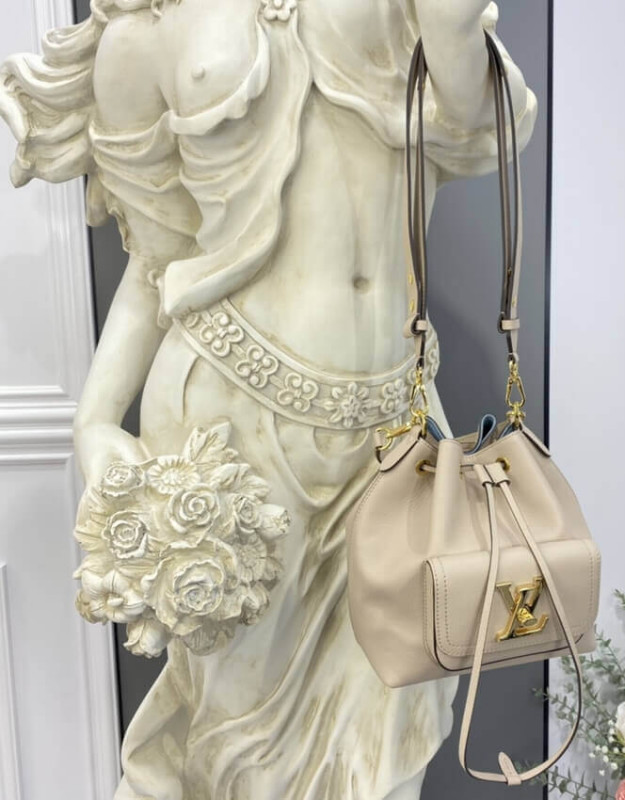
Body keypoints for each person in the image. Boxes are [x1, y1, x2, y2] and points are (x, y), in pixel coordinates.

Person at [0, 1, 535, 796]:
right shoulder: (147, 32)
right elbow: (156, 258)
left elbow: (482, 120)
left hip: (398, 423)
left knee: (397, 724)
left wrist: (452, 24)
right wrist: (95, 416)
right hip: (232, 430)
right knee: (237, 746)